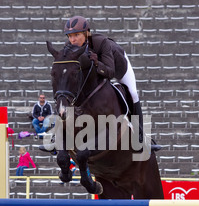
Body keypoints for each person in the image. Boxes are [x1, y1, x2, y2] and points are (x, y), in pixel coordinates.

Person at [43, 15, 160, 152]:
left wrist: (97, 62)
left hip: (118, 67)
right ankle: (56, 137)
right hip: (94, 73)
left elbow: (110, 73)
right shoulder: (70, 46)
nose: (72, 40)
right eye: (69, 36)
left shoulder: (102, 43)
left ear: (86, 33)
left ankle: (141, 137)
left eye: (76, 35)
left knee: (133, 93)